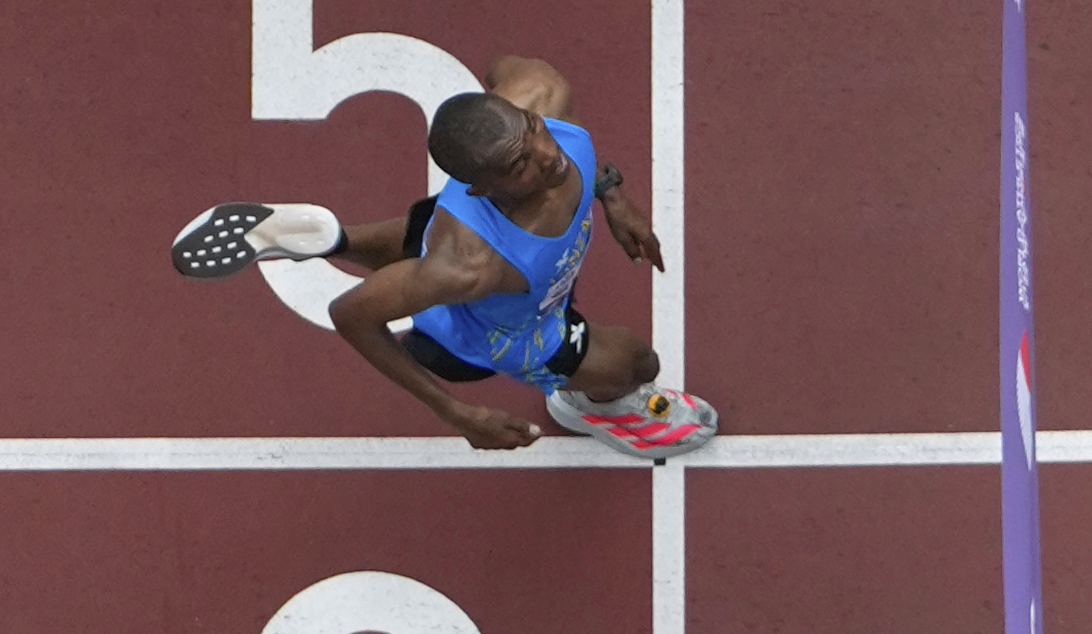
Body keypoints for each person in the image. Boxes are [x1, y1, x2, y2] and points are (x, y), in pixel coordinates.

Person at [172, 52, 720, 461]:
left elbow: (498, 67)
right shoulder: (467, 264)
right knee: (637, 364)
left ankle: (334, 239)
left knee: (424, 239)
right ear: (481, 187)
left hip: (469, 237)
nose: (549, 156)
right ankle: (594, 407)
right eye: (518, 165)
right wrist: (454, 413)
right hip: (517, 324)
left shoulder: (542, 95)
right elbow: (350, 315)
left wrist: (613, 196)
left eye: (532, 132)